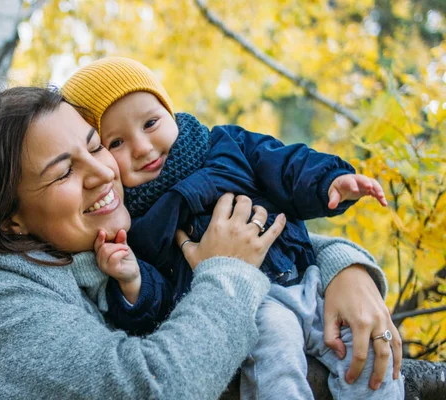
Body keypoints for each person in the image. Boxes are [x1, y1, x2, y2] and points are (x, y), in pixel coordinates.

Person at [0, 86, 396, 400]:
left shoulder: (99, 252)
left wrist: (345, 270)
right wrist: (228, 276)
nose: (103, 172)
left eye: (96, 146)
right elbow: (151, 388)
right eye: (64, 173)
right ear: (11, 221)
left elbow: (258, 232)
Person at [61, 57, 404, 399]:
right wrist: (133, 283)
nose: (142, 146)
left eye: (150, 123)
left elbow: (285, 163)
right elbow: (159, 299)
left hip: (304, 278)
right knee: (275, 360)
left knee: (369, 352)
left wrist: (329, 179)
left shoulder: (225, 144)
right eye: (117, 143)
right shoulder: (135, 223)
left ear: (170, 112)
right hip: (251, 306)